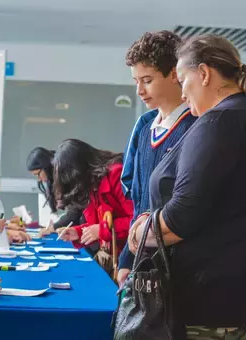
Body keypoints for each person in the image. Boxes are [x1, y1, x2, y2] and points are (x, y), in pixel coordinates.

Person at [128, 34, 246, 338]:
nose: (183, 93)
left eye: (183, 80)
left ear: (204, 74)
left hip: (210, 298)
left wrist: (141, 231)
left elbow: (181, 217)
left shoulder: (216, 122)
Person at [118, 30, 197, 286]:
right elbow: (139, 202)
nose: (139, 90)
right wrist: (126, 260)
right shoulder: (144, 126)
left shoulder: (196, 126)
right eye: (136, 81)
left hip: (179, 267)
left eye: (147, 80)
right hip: (141, 257)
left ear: (175, 74)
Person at [54, 139, 133, 276]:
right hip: (114, 257)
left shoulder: (115, 175)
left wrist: (102, 230)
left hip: (129, 260)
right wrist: (77, 232)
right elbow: (96, 225)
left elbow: (137, 220)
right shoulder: (90, 185)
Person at [26, 147, 83, 232]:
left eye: (37, 174)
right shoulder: (54, 179)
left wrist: (53, 228)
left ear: (45, 167)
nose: (38, 179)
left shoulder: (67, 177)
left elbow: (74, 214)